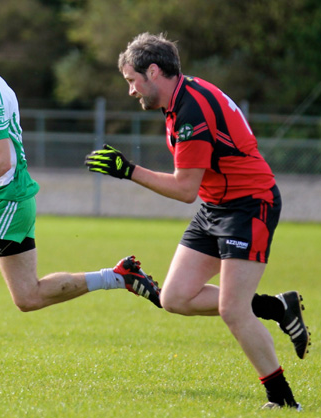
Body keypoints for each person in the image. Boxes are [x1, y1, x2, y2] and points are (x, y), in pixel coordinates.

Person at [0, 11, 161, 381]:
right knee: (28, 297)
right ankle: (118, 276)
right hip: (4, 202)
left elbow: (1, 159)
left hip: (6, 199)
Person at [85, 32, 310, 410]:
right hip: (216, 207)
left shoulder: (192, 109)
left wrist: (128, 170)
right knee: (175, 297)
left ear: (153, 71)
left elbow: (184, 188)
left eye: (131, 81)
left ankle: (284, 401)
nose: (130, 91)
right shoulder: (178, 99)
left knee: (232, 310)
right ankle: (276, 308)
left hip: (248, 206)